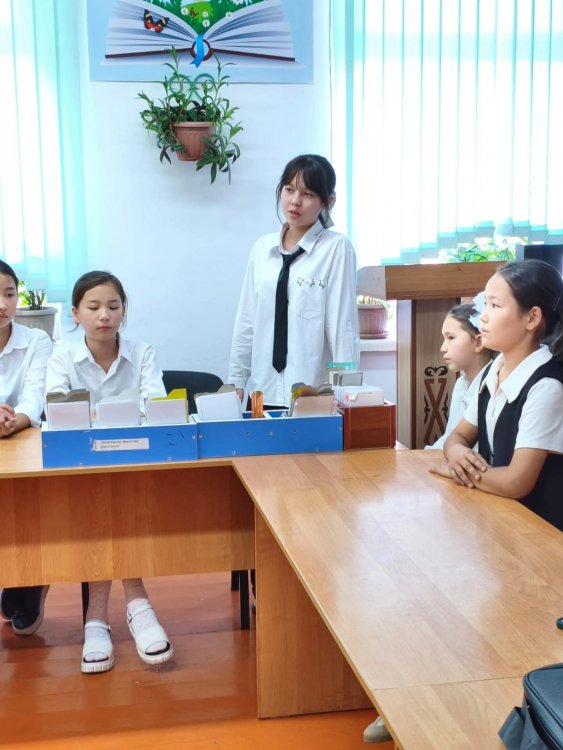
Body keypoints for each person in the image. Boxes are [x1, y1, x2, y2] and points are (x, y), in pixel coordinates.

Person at [45, 270, 173, 673]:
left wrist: (97, 417)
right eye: (94, 307)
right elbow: (57, 413)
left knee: (116, 497)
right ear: (75, 313)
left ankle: (97, 617)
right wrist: (118, 416)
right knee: (103, 500)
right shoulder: (62, 357)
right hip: (79, 470)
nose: (105, 315)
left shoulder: (142, 352)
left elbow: (155, 407)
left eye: (114, 306)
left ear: (123, 311)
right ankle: (137, 603)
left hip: (135, 465)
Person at [429, 259, 563, 530]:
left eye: (495, 306)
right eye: (485, 304)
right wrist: (455, 453)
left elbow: (516, 482)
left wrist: (458, 473)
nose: (483, 317)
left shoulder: (546, 386)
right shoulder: (494, 369)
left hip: (540, 532)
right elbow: (458, 436)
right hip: (500, 519)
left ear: (532, 318)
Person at [229, 154, 360, 408]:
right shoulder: (262, 248)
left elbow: (342, 329)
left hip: (313, 394)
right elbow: (247, 320)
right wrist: (236, 381)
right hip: (262, 392)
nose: (295, 201)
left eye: (308, 194)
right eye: (289, 190)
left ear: (328, 201)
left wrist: (348, 395)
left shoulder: (336, 248)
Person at [0, 260, 53, 635]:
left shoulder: (36, 341)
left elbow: (35, 399)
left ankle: (31, 578)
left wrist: (11, 422)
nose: (2, 304)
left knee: (32, 503)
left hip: (23, 441)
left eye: (8, 294)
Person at [426, 298, 494, 449]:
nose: (443, 348)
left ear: (478, 342)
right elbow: (450, 437)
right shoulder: (461, 384)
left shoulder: (492, 386)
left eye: (451, 338)